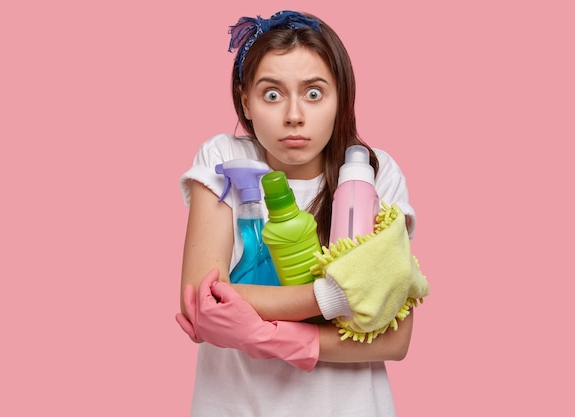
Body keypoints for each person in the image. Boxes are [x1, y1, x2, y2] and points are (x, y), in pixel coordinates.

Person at [176, 10, 421, 416]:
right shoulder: (225, 157)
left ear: (341, 97)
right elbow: (202, 302)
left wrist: (265, 335)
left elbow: (395, 339)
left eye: (313, 93)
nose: (294, 115)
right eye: (272, 94)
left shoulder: (375, 173)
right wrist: (335, 297)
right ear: (245, 102)